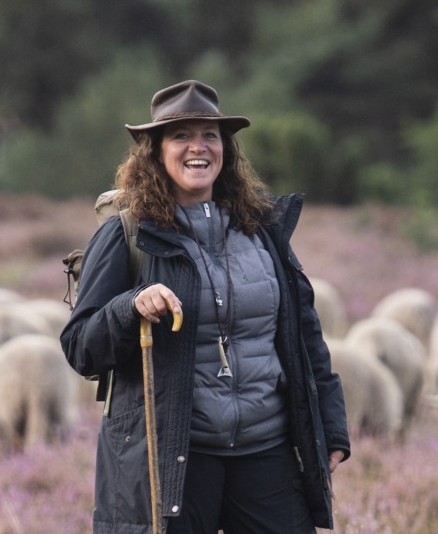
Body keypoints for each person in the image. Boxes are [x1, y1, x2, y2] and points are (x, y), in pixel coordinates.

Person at [60, 80, 350, 534]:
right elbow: (81, 346)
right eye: (181, 136)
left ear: (226, 149)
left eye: (210, 135)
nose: (198, 147)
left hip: (265, 451)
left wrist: (330, 428)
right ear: (155, 152)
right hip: (174, 455)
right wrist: (130, 306)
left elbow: (304, 336)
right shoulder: (127, 235)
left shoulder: (263, 231)